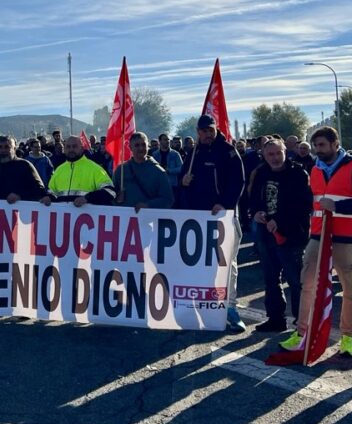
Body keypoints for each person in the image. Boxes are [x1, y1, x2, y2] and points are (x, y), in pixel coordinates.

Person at [282, 127, 352, 356]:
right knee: (307, 283)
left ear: (334, 144)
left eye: (321, 145)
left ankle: (347, 338)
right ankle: (302, 332)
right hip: (318, 235)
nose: (317, 150)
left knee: (349, 287)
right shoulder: (315, 170)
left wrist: (340, 207)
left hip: (345, 237)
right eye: (315, 146)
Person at [180, 115, 246, 331]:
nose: (207, 134)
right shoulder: (193, 153)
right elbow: (183, 181)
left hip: (223, 217)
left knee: (227, 264)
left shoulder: (227, 151)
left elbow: (238, 182)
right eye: (203, 131)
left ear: (216, 129)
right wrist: (183, 181)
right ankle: (205, 305)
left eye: (210, 130)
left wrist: (225, 204)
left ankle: (230, 308)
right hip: (199, 219)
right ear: (197, 132)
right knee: (201, 264)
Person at [246, 138, 312, 333]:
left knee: (295, 281)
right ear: (264, 156)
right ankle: (275, 319)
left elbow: (304, 204)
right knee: (270, 278)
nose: (274, 158)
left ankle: (301, 323)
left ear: (285, 152)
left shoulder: (298, 173)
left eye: (278, 153)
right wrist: (256, 212)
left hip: (291, 236)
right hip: (266, 235)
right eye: (270, 154)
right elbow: (253, 198)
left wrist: (281, 220)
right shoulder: (260, 173)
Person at [44, 135, 115, 206]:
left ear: (82, 148)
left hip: (86, 215)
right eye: (68, 147)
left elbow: (110, 191)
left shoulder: (94, 168)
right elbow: (51, 191)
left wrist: (87, 198)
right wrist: (49, 197)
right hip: (63, 216)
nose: (71, 149)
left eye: (74, 146)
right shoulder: (59, 170)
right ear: (64, 149)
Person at [114, 132, 175, 210]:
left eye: (143, 145)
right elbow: (110, 196)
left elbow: (168, 200)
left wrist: (148, 205)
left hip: (148, 219)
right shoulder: (121, 170)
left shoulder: (159, 172)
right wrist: (117, 198)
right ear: (130, 147)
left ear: (148, 146)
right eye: (137, 145)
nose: (141, 148)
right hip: (124, 219)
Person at [0, 136, 49, 203]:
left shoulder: (25, 166)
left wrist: (20, 196)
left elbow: (40, 192)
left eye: (7, 147)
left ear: (14, 149)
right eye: (0, 147)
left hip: (21, 212)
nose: (3, 150)